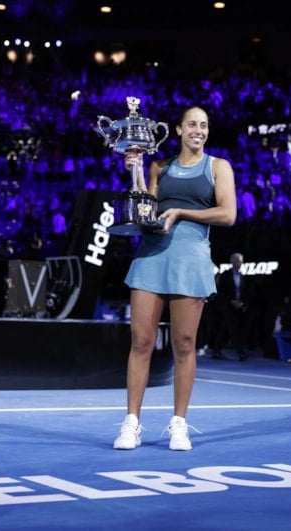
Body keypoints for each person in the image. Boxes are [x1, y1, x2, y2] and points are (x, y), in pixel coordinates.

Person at [113, 106, 237, 451]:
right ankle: (131, 423)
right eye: (192, 124)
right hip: (152, 257)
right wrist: (136, 172)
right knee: (141, 343)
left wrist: (182, 211)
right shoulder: (160, 167)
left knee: (184, 344)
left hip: (190, 259)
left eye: (204, 125)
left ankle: (179, 424)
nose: (199, 130)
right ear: (179, 130)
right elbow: (147, 210)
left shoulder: (218, 167)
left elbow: (228, 214)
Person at [211, 252, 251, 361]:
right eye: (238, 261)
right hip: (227, 306)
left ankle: (216, 350)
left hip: (238, 306)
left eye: (241, 261)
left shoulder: (242, 276)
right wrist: (231, 301)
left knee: (224, 328)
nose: (240, 263)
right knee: (233, 329)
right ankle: (241, 353)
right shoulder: (225, 275)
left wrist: (242, 303)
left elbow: (245, 292)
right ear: (232, 262)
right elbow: (222, 291)